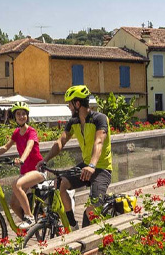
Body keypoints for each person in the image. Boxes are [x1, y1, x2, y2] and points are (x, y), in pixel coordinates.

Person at [39, 85, 112, 229]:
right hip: (85, 165)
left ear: (77, 104)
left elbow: (99, 142)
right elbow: (61, 142)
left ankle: (88, 235)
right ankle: (73, 225)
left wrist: (92, 165)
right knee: (62, 184)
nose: (68, 107)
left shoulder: (100, 119)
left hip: (101, 168)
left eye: (70, 103)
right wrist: (45, 159)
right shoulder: (74, 122)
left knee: (91, 210)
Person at [0, 103, 44, 229]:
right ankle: (30, 228)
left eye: (23, 114)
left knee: (16, 185)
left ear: (27, 116)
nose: (21, 116)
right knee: (13, 204)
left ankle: (29, 217)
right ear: (15, 117)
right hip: (25, 172)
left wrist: (21, 159)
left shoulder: (31, 131)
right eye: (18, 114)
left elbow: (29, 146)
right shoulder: (17, 132)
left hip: (37, 170)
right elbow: (5, 147)